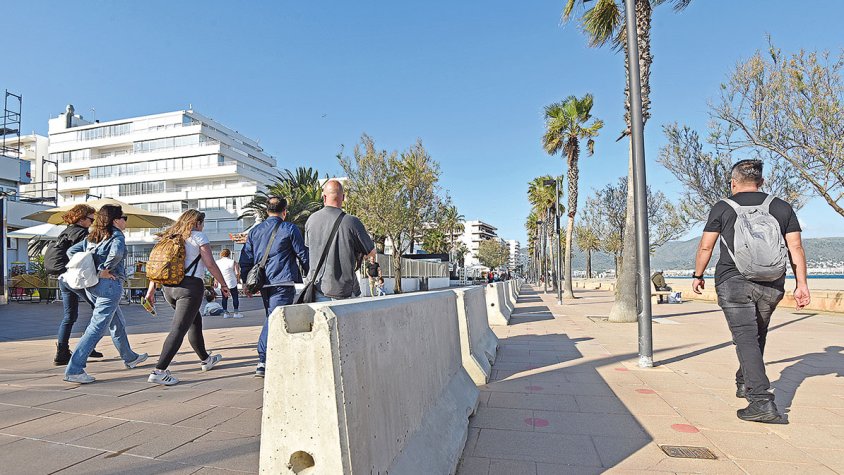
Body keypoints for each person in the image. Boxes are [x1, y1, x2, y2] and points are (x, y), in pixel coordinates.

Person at [693, 159, 810, 423]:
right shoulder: (780, 206)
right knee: (756, 334)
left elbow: (705, 247)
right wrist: (801, 284)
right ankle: (744, 380)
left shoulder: (724, 206)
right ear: (762, 182)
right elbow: (796, 249)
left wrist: (698, 275)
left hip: (733, 280)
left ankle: (760, 401)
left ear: (734, 183)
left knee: (746, 337)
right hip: (772, 283)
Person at [63, 205, 149, 384]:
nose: (125, 221)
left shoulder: (93, 236)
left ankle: (130, 357)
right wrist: (104, 269)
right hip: (109, 285)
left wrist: (93, 267)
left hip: (93, 285)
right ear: (115, 220)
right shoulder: (117, 235)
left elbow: (71, 251)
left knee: (116, 322)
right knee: (97, 327)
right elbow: (116, 253)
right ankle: (75, 369)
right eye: (124, 217)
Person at [144, 210, 229, 386]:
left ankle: (206, 359)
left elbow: (157, 265)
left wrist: (151, 290)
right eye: (202, 223)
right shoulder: (198, 237)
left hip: (168, 289)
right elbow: (210, 264)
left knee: (194, 321)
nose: (202, 227)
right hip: (189, 288)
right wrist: (223, 284)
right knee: (179, 328)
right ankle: (159, 371)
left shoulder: (168, 236)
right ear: (197, 223)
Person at [239, 196, 309, 377]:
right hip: (282, 280)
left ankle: (272, 356)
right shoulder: (289, 228)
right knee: (273, 318)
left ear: (266, 211)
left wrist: (247, 281)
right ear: (284, 211)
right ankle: (263, 360)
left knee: (271, 316)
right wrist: (312, 274)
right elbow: (302, 254)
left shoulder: (255, 231)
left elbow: (245, 257)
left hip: (262, 282)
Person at [45, 204, 104, 365]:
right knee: (99, 308)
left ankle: (61, 352)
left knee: (69, 316)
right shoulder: (82, 234)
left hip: (62, 278)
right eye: (91, 219)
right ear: (81, 218)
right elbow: (86, 257)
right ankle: (87, 346)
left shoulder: (65, 232)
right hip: (74, 278)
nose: (92, 222)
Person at [304, 180, 375, 302]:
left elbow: (309, 247)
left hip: (316, 288)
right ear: (343, 197)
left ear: (324, 197)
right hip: (344, 291)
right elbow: (371, 252)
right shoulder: (352, 222)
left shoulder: (311, 220)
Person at [215, 248, 241, 318]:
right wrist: (238, 280)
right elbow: (237, 273)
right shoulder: (233, 262)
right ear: (229, 254)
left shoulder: (217, 262)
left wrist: (216, 281)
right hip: (232, 281)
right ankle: (236, 313)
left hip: (223, 282)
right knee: (235, 297)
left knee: (224, 298)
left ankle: (225, 313)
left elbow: (216, 272)